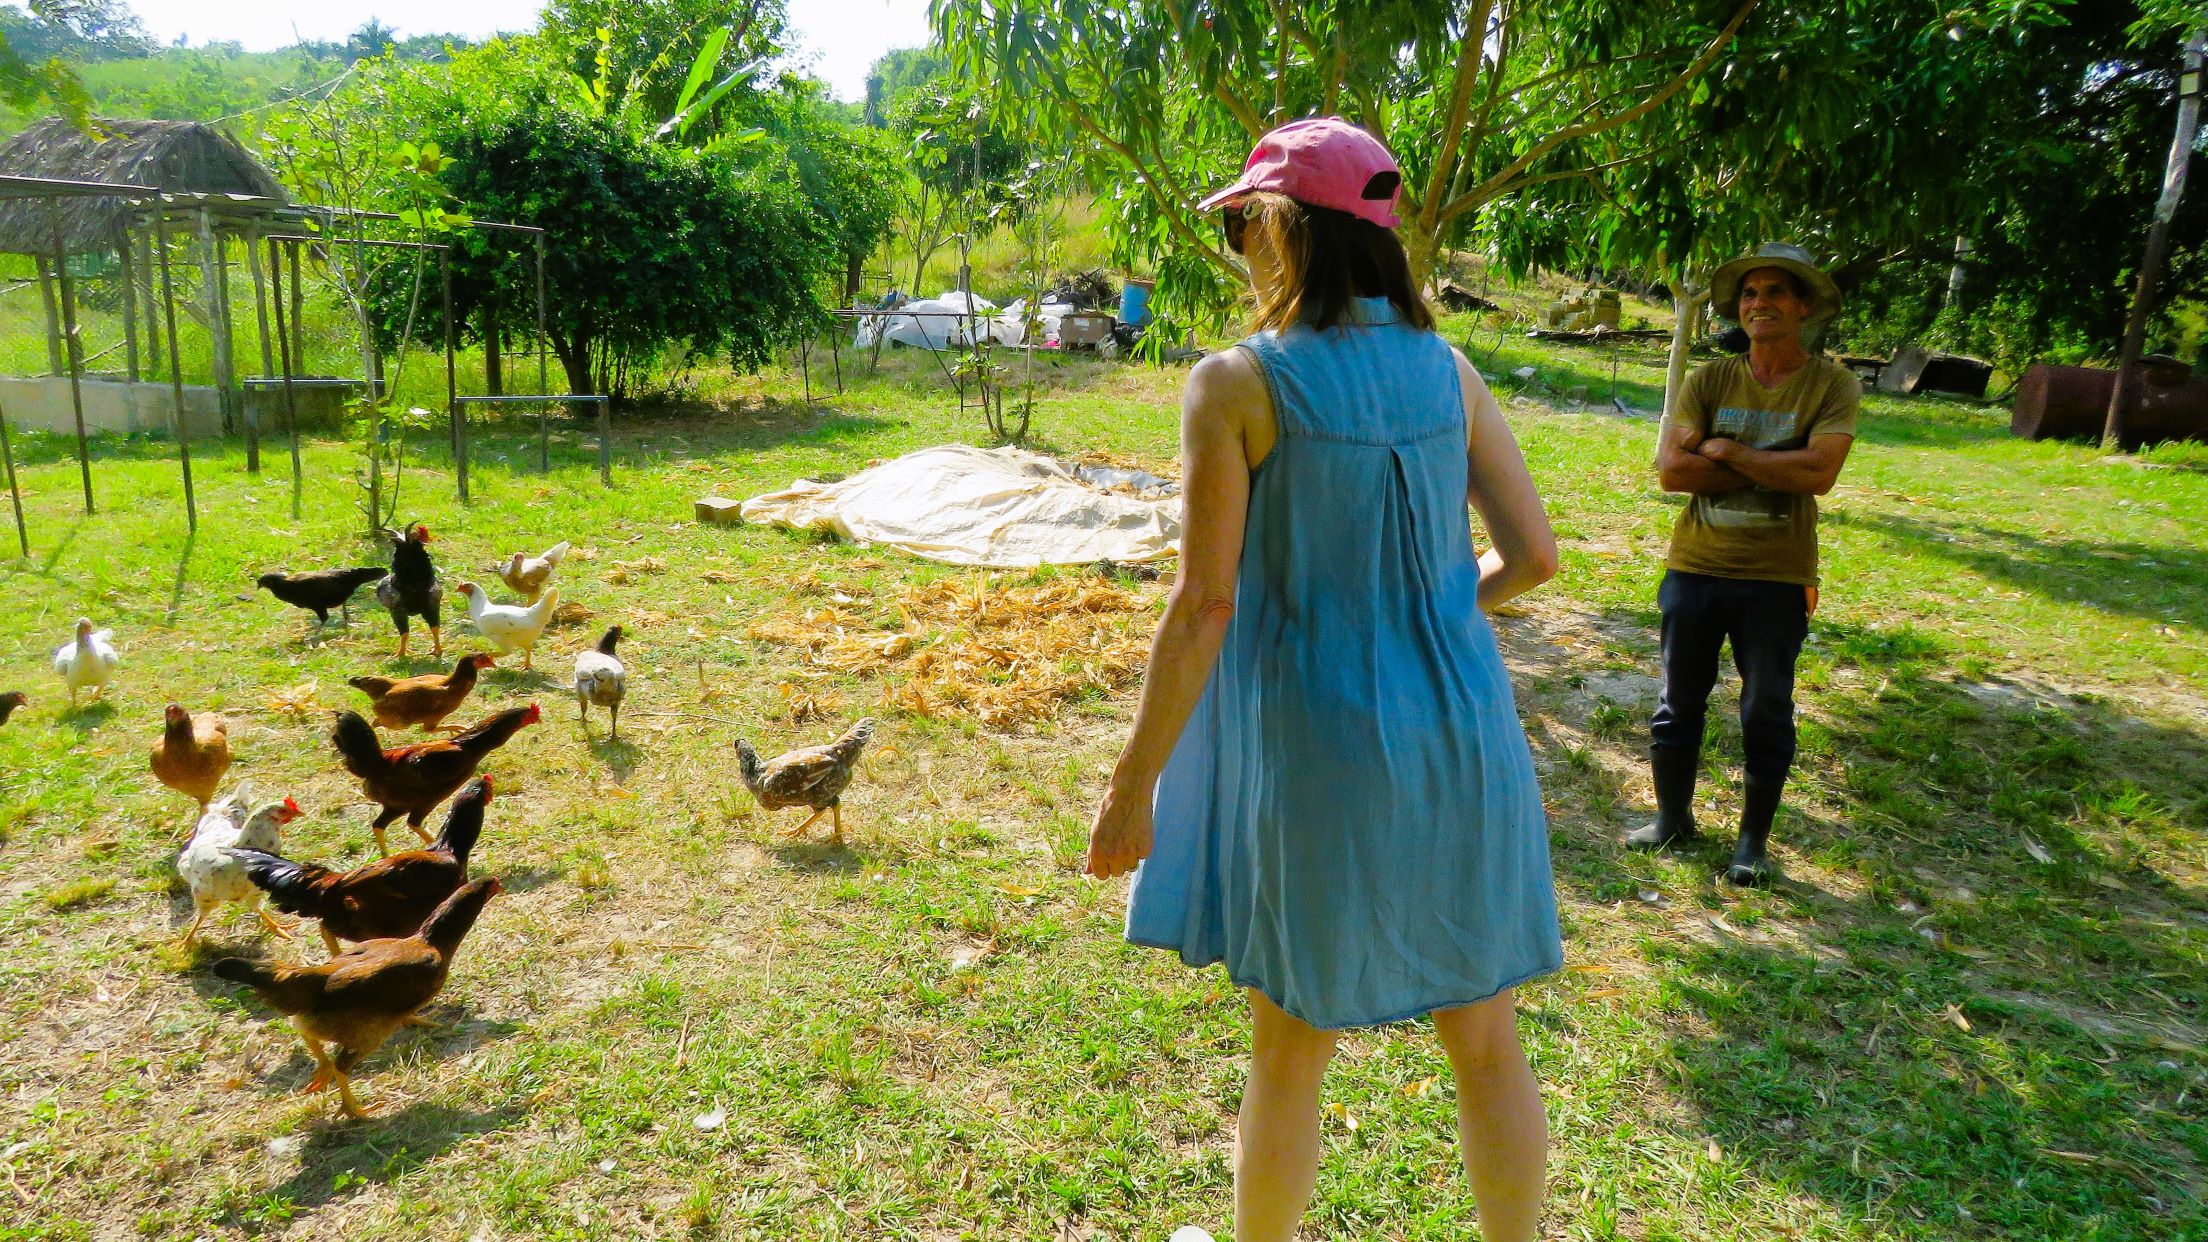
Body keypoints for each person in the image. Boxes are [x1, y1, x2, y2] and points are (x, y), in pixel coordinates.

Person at [1084, 117, 1563, 1242]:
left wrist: (1131, 780)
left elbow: (1207, 605)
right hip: (1464, 736)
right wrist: (1428, 611)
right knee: (1487, 1043)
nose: (1239, 243)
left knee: (1290, 1048)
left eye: (1244, 220)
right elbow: (1534, 557)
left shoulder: (1237, 384)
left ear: (1286, 229)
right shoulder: (1449, 371)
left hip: (1320, 751)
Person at [1631, 242, 1858, 884]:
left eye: (1777, 293)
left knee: (1766, 707)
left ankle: (1751, 844)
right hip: (1696, 565)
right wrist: (1773, 460)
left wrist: (1725, 449)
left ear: (1805, 307)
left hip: (1777, 575)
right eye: (1751, 294)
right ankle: (1671, 820)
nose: (1760, 304)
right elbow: (1674, 471)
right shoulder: (1711, 378)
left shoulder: (1831, 383)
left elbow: (1819, 473)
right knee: (1678, 701)